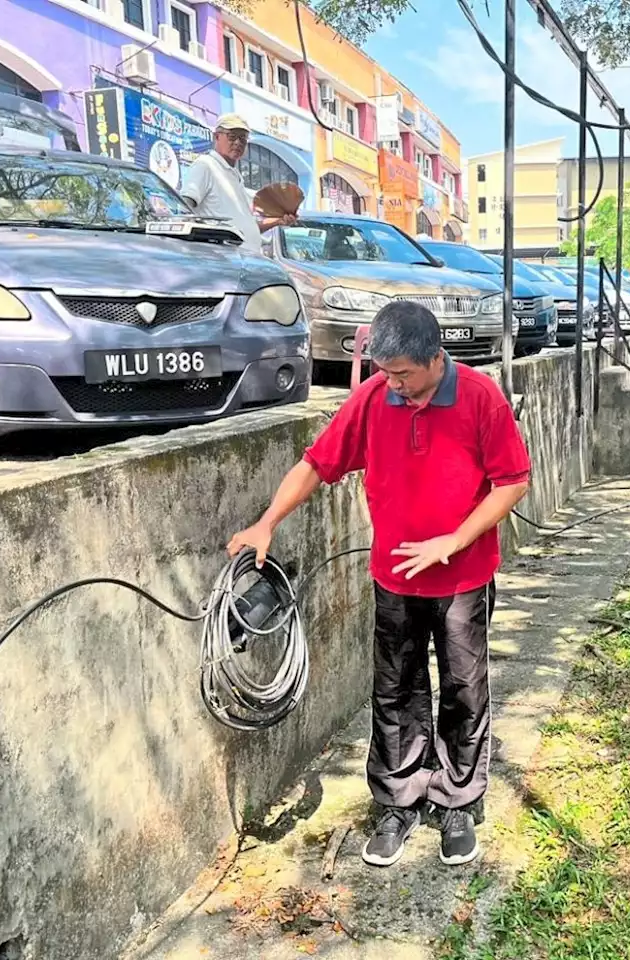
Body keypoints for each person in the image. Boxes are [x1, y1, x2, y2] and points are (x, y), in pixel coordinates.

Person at [226, 302, 531, 868]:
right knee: (394, 690)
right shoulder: (373, 399)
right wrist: (267, 521)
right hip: (393, 579)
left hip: (462, 577)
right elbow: (317, 464)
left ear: (436, 358)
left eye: (405, 375)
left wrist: (454, 541)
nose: (395, 385)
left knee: (464, 686)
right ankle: (398, 800)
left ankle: (458, 800)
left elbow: (512, 482)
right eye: (387, 373)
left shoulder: (480, 398)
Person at [181, 114, 295, 246]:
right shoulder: (206, 165)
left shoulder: (235, 176)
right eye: (232, 136)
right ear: (217, 136)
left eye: (243, 138)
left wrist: (278, 220)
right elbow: (184, 207)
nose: (237, 143)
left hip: (245, 259)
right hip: (222, 258)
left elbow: (247, 228)